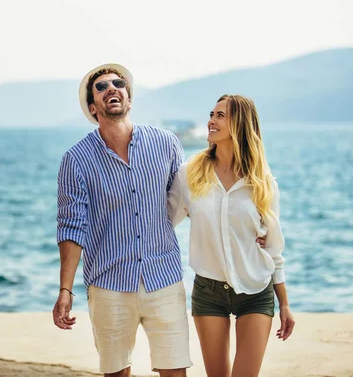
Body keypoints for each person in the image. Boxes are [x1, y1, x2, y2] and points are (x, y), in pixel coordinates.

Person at [52, 63, 192, 377]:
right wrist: (65, 290)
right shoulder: (76, 160)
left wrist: (249, 229)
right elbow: (72, 227)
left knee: (175, 372)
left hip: (164, 278)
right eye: (101, 87)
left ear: (128, 97)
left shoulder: (166, 143)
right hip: (109, 285)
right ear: (93, 106)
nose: (112, 88)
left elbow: (188, 201)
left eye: (119, 83)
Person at [168, 94, 296, 377]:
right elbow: (165, 220)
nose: (211, 121)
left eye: (220, 116)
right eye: (211, 114)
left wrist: (284, 304)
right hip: (208, 292)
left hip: (256, 292)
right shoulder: (190, 173)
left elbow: (274, 249)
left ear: (239, 124)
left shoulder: (262, 183)